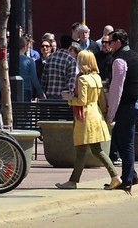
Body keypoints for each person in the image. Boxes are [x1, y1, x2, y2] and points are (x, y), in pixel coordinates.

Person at [55, 50, 121, 191]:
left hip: (84, 117)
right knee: (96, 150)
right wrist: (106, 115)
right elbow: (102, 100)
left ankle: (74, 181)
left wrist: (68, 98)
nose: (77, 62)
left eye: (79, 59)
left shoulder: (82, 79)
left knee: (82, 150)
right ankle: (114, 176)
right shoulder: (97, 77)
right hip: (96, 114)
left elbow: (82, 101)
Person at [105, 29, 138, 193]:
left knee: (125, 143)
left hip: (128, 106)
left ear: (118, 42)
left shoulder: (119, 60)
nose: (108, 45)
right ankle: (132, 175)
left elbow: (117, 89)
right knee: (121, 140)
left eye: (110, 42)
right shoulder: (135, 56)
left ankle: (127, 180)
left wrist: (110, 114)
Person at [42, 35, 77, 100]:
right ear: (70, 46)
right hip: (62, 97)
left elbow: (44, 77)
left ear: (60, 43)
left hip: (49, 94)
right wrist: (70, 96)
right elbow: (71, 81)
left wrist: (42, 92)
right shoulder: (71, 60)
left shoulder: (51, 57)